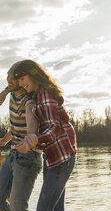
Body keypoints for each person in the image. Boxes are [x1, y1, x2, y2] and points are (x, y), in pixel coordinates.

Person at [12, 59, 77, 211]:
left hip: (62, 157)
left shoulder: (45, 92)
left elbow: (54, 127)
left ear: (33, 75)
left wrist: (33, 142)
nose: (21, 84)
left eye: (23, 79)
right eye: (19, 80)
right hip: (52, 157)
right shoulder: (37, 95)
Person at [0, 61, 42, 211]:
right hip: (13, 154)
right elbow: (15, 126)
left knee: (18, 207)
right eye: (8, 76)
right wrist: (4, 140)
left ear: (22, 81)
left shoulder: (29, 99)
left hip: (29, 156)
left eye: (13, 78)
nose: (8, 80)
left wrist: (30, 137)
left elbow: (30, 121)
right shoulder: (12, 93)